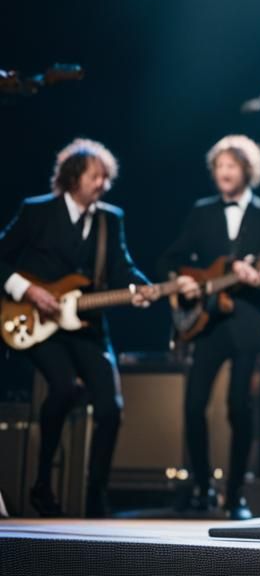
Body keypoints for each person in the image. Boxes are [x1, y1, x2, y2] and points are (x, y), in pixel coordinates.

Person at [0, 139, 161, 517]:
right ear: (74, 178)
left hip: (88, 325)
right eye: (95, 177)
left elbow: (121, 266)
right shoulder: (37, 211)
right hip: (37, 320)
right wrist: (29, 291)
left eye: (106, 177)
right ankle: (43, 484)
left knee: (111, 407)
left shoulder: (110, 219)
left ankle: (96, 495)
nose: (102, 184)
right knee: (63, 388)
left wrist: (140, 287)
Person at [158, 135, 260, 521]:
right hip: (208, 324)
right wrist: (181, 281)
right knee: (193, 405)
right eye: (219, 166)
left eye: (231, 166)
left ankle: (235, 495)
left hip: (247, 322)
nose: (224, 173)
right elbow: (170, 258)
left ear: (247, 170)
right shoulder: (202, 212)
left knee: (238, 407)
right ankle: (201, 487)